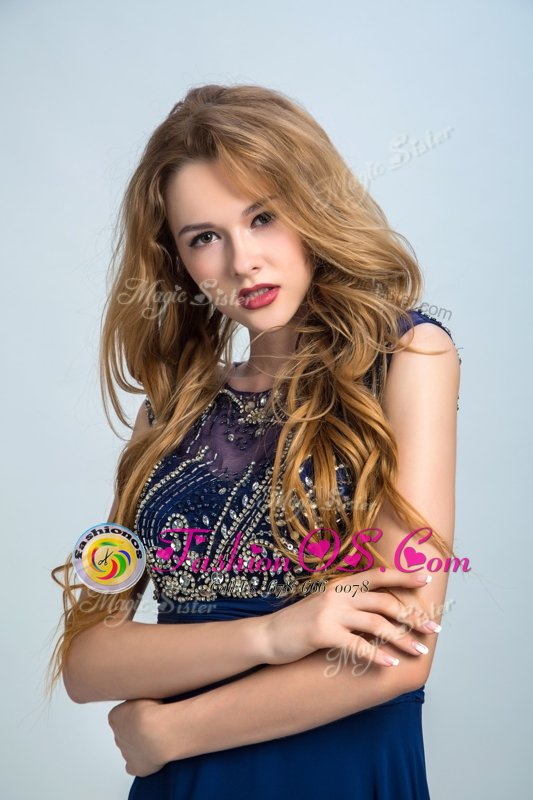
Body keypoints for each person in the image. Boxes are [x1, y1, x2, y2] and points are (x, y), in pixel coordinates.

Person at [48, 83, 462, 799]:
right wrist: (273, 635)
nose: (243, 262)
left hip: (334, 774)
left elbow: (401, 647)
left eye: (263, 217)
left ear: (313, 207)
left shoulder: (409, 356)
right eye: (204, 237)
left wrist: (174, 731)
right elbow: (87, 660)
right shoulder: (167, 414)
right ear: (177, 260)